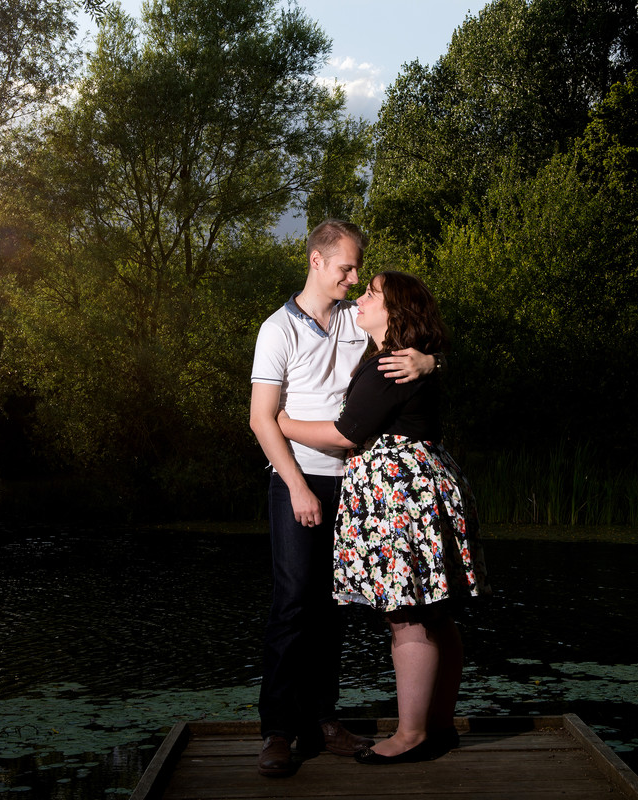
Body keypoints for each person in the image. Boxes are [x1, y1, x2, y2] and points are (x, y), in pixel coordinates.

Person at [277, 270, 489, 765]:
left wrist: (282, 421)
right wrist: (436, 360)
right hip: (420, 486)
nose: (361, 297)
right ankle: (436, 728)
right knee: (435, 613)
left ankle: (411, 735)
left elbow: (346, 433)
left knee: (408, 616)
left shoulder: (390, 365)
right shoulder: (401, 359)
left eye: (371, 293)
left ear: (394, 313)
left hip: (402, 498)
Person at [249, 221, 437, 777]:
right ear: (316, 261)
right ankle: (279, 731)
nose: (354, 280)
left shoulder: (357, 320)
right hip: (299, 479)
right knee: (292, 602)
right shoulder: (277, 329)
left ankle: (323, 719)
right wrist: (298, 486)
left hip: (358, 485)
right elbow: (262, 419)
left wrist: (431, 363)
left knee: (335, 608)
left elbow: (405, 341)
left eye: (359, 271)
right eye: (345, 269)